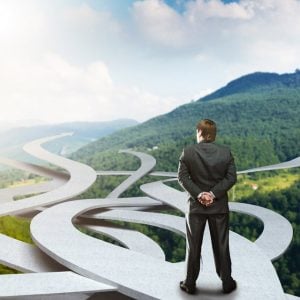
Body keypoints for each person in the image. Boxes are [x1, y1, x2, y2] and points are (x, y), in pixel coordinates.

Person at [178, 119, 237, 295]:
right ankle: (227, 282)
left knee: (193, 246)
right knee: (221, 245)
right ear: (214, 133)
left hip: (195, 209)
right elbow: (231, 178)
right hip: (219, 208)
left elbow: (182, 177)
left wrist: (199, 194)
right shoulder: (226, 153)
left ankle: (189, 283)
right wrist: (213, 194)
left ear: (199, 132)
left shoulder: (187, 152)